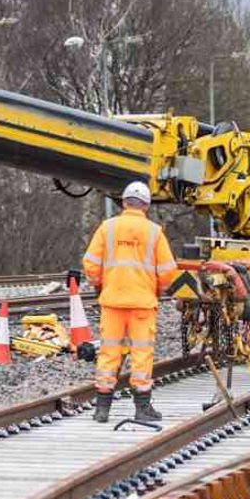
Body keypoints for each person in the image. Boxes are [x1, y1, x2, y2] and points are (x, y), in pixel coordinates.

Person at [82, 181, 179, 424]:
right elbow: (168, 271)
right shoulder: (154, 232)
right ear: (146, 205)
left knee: (108, 354)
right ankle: (142, 408)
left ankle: (102, 409)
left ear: (124, 203)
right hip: (142, 305)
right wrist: (156, 286)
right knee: (141, 354)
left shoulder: (108, 228)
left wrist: (100, 284)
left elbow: (91, 264)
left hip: (112, 302)